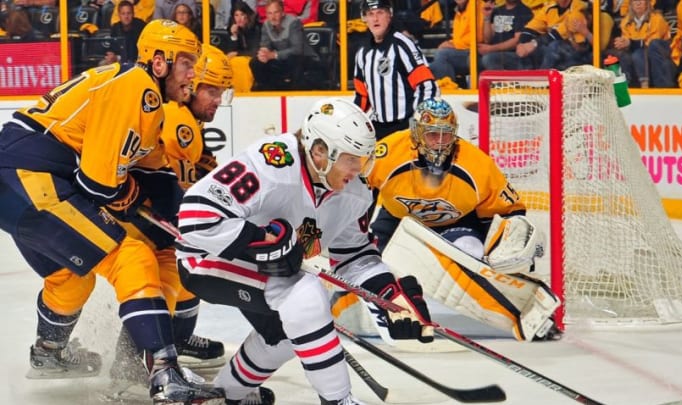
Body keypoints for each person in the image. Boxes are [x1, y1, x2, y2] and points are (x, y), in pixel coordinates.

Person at [0, 19, 225, 403]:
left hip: (20, 182)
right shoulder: (138, 89)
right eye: (187, 63)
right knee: (130, 254)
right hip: (33, 176)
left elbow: (146, 177)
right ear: (159, 61)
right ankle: (164, 373)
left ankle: (49, 353)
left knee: (71, 277)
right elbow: (100, 185)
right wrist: (140, 200)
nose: (191, 74)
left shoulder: (140, 95)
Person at [174, 97, 434, 405]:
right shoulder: (271, 165)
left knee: (285, 336)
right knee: (305, 294)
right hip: (206, 258)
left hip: (268, 271)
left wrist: (390, 294)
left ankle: (223, 396)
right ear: (320, 152)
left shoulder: (355, 192)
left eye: (364, 159)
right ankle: (338, 401)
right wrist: (261, 242)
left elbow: (355, 256)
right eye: (352, 158)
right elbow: (195, 217)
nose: (360, 169)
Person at [365, 97, 561, 342]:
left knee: (471, 252)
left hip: (456, 225)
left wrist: (503, 258)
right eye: (432, 135)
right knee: (372, 266)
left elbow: (511, 213)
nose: (439, 143)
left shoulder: (476, 165)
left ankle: (508, 310)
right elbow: (359, 190)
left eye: (446, 135)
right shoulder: (389, 152)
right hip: (397, 222)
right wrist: (358, 233)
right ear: (416, 133)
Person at [110, 44, 234, 386]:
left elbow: (201, 175)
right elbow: (175, 186)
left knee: (185, 269)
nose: (217, 101)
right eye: (211, 90)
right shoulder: (179, 122)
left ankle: (167, 342)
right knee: (171, 274)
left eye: (222, 92)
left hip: (141, 211)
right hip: (139, 216)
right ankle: (134, 361)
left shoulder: (185, 119)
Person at [353, 0, 439, 140]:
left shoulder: (402, 45)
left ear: (389, 15)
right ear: (365, 19)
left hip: (405, 126)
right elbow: (362, 96)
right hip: (378, 128)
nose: (375, 19)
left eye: (380, 13)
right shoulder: (362, 52)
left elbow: (427, 87)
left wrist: (417, 122)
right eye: (370, 14)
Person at [249, 0, 318, 90]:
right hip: (282, 60)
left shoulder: (294, 22)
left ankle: (295, 92)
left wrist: (273, 55)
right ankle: (267, 90)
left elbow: (297, 50)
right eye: (269, 13)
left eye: (276, 12)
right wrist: (263, 54)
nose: (273, 17)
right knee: (255, 63)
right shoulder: (266, 24)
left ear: (282, 13)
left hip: (304, 59)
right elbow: (265, 45)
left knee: (293, 59)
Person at [611, 0, 674, 88]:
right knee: (620, 55)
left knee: (639, 53)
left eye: (641, 0)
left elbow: (652, 43)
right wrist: (621, 43)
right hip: (636, 54)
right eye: (634, 1)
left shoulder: (657, 19)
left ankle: (645, 86)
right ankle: (623, 88)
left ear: (647, 3)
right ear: (630, 4)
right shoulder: (625, 21)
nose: (638, 3)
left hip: (658, 54)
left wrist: (631, 43)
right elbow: (626, 38)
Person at [515, 0, 592, 70]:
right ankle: (527, 80)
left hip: (580, 52)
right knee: (527, 49)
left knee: (554, 45)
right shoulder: (550, 7)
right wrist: (523, 44)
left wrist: (534, 44)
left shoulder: (579, 6)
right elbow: (531, 28)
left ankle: (543, 79)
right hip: (554, 50)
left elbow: (560, 33)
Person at [428, 0, 479, 88]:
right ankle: (451, 88)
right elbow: (458, 37)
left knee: (443, 54)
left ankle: (449, 88)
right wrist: (450, 43)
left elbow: (478, 37)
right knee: (435, 64)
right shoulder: (459, 10)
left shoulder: (477, 6)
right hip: (463, 50)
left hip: (476, 51)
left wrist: (454, 44)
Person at [478, 0, 533, 71]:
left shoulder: (524, 11)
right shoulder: (497, 11)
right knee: (472, 58)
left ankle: (499, 81)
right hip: (494, 52)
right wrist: (487, 17)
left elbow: (517, 41)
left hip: (515, 55)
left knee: (489, 59)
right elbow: (488, 39)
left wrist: (490, 49)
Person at [104, 0, 146, 65]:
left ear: (133, 14)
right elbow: (112, 50)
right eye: (123, 14)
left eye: (129, 13)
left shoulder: (141, 26)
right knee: (102, 64)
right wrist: (112, 57)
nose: (126, 16)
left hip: (138, 62)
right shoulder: (115, 28)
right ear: (119, 15)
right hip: (119, 62)